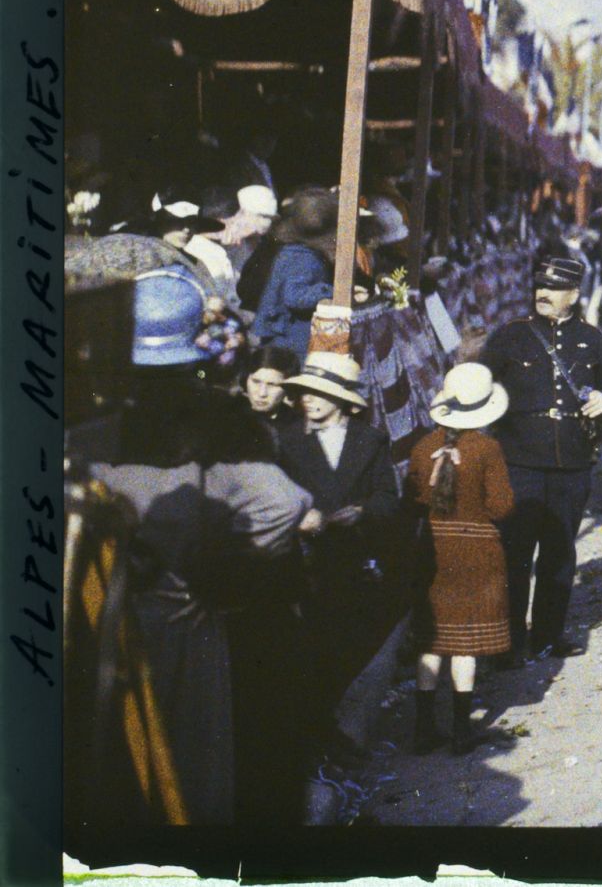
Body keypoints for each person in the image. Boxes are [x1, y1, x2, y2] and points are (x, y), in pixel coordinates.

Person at [80, 265, 314, 826]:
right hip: (182, 616)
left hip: (95, 616)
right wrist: (223, 575)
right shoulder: (222, 425)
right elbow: (284, 505)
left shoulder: (90, 425)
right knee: (189, 765)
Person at [480, 252, 602, 664]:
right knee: (515, 552)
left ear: (574, 295)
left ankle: (547, 636)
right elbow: (481, 384)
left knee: (559, 551)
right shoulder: (511, 336)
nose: (544, 294)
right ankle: (505, 643)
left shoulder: (593, 339)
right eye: (540, 286)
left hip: (571, 461)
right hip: (520, 458)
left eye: (555, 288)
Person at [274, 350, 403, 759]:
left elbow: (388, 497)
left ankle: (343, 733)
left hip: (355, 559)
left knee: (352, 645)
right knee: (313, 648)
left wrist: (362, 512)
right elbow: (272, 497)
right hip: (307, 562)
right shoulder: (287, 441)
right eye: (304, 393)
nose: (308, 401)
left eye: (319, 394)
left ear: (342, 399)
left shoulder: (370, 439)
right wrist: (297, 516)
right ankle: (321, 735)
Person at [406, 364, 516, 755]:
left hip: (432, 553)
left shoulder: (421, 447)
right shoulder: (487, 449)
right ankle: (460, 729)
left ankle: (422, 727)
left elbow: (413, 501)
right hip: (476, 553)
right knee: (465, 643)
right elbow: (502, 506)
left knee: (431, 641)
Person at [248, 188, 339, 356]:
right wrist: (332, 291)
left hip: (284, 332)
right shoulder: (304, 257)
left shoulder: (293, 250)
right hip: (290, 336)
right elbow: (295, 297)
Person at [235, 344, 302, 441]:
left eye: (272, 385)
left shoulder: (297, 427)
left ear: (287, 388)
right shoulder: (228, 417)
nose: (262, 393)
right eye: (256, 382)